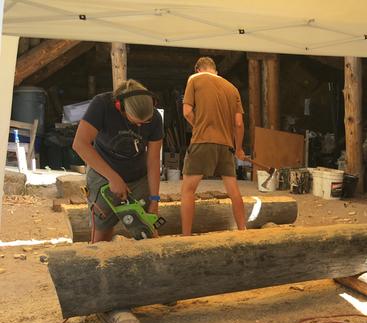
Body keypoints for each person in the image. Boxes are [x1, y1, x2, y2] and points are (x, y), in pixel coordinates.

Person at [73, 79, 163, 242]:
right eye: (136, 121)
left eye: (145, 122)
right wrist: (113, 177)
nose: (141, 125)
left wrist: (155, 199)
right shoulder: (102, 105)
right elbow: (80, 144)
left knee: (148, 231)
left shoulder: (155, 118)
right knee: (102, 233)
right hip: (103, 176)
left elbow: (154, 160)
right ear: (120, 108)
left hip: (138, 177)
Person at [181, 56, 246, 235]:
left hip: (202, 141)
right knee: (233, 190)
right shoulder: (232, 88)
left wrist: (199, 126)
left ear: (198, 69)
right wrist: (238, 148)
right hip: (226, 146)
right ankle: (243, 231)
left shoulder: (194, 80)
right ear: (216, 71)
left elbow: (187, 112)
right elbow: (239, 123)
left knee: (188, 190)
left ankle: (185, 237)